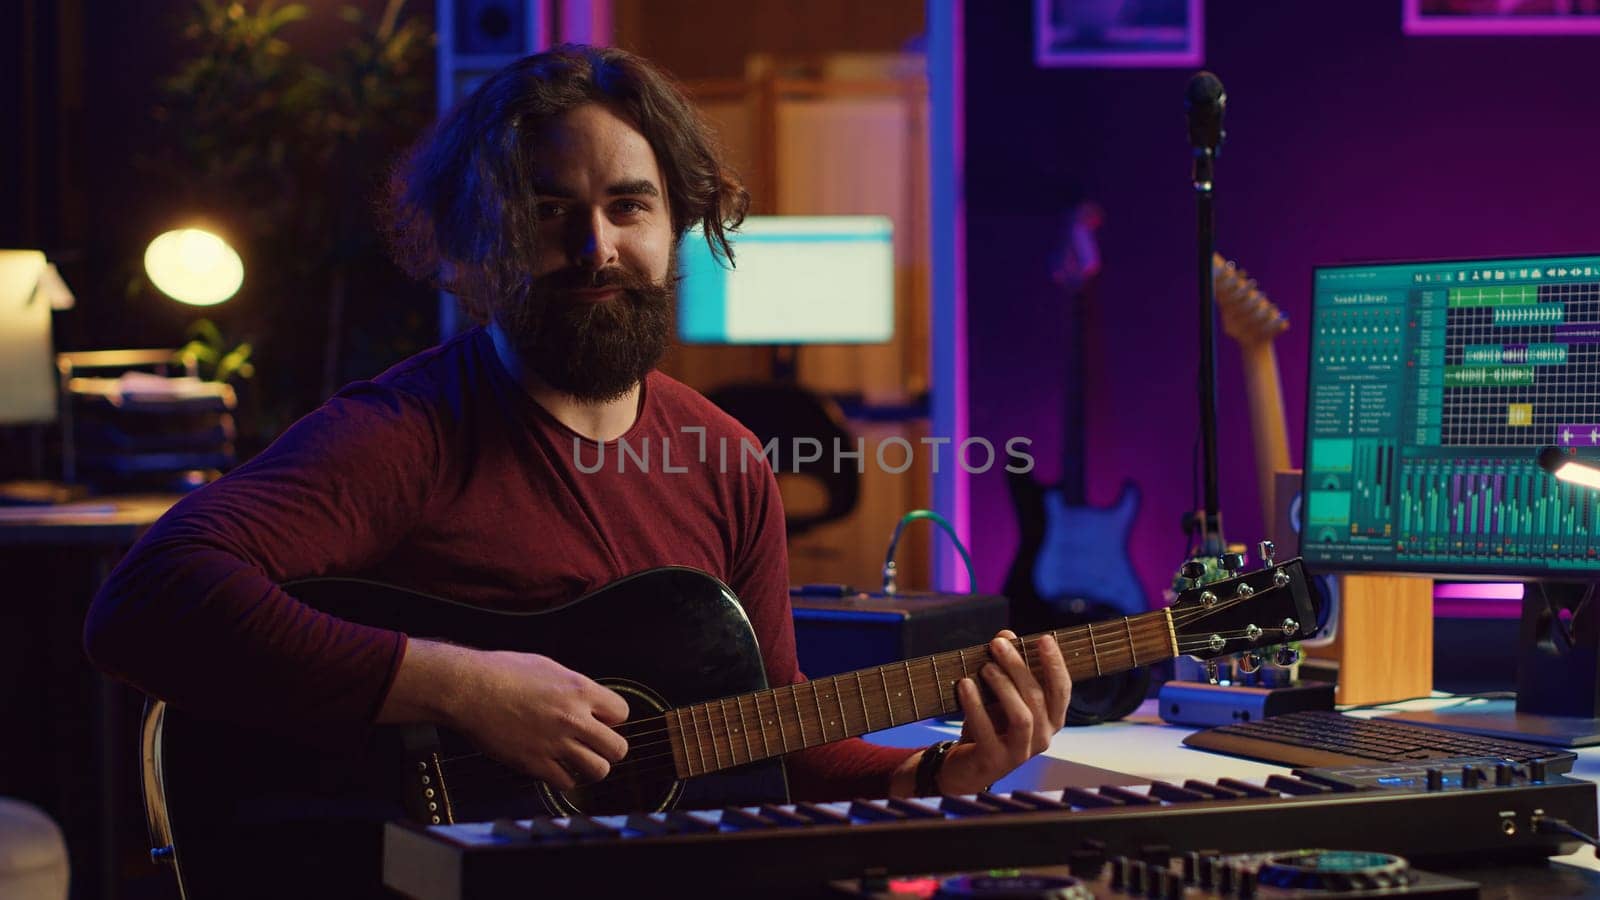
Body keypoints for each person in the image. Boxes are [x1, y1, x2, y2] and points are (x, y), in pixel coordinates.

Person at [85, 44, 1069, 828]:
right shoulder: (406, 433)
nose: (595, 245)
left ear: (679, 223)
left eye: (628, 206)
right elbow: (145, 599)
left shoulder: (726, 459)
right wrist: (461, 688)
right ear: (479, 236)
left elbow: (777, 740)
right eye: (549, 209)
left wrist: (941, 769)